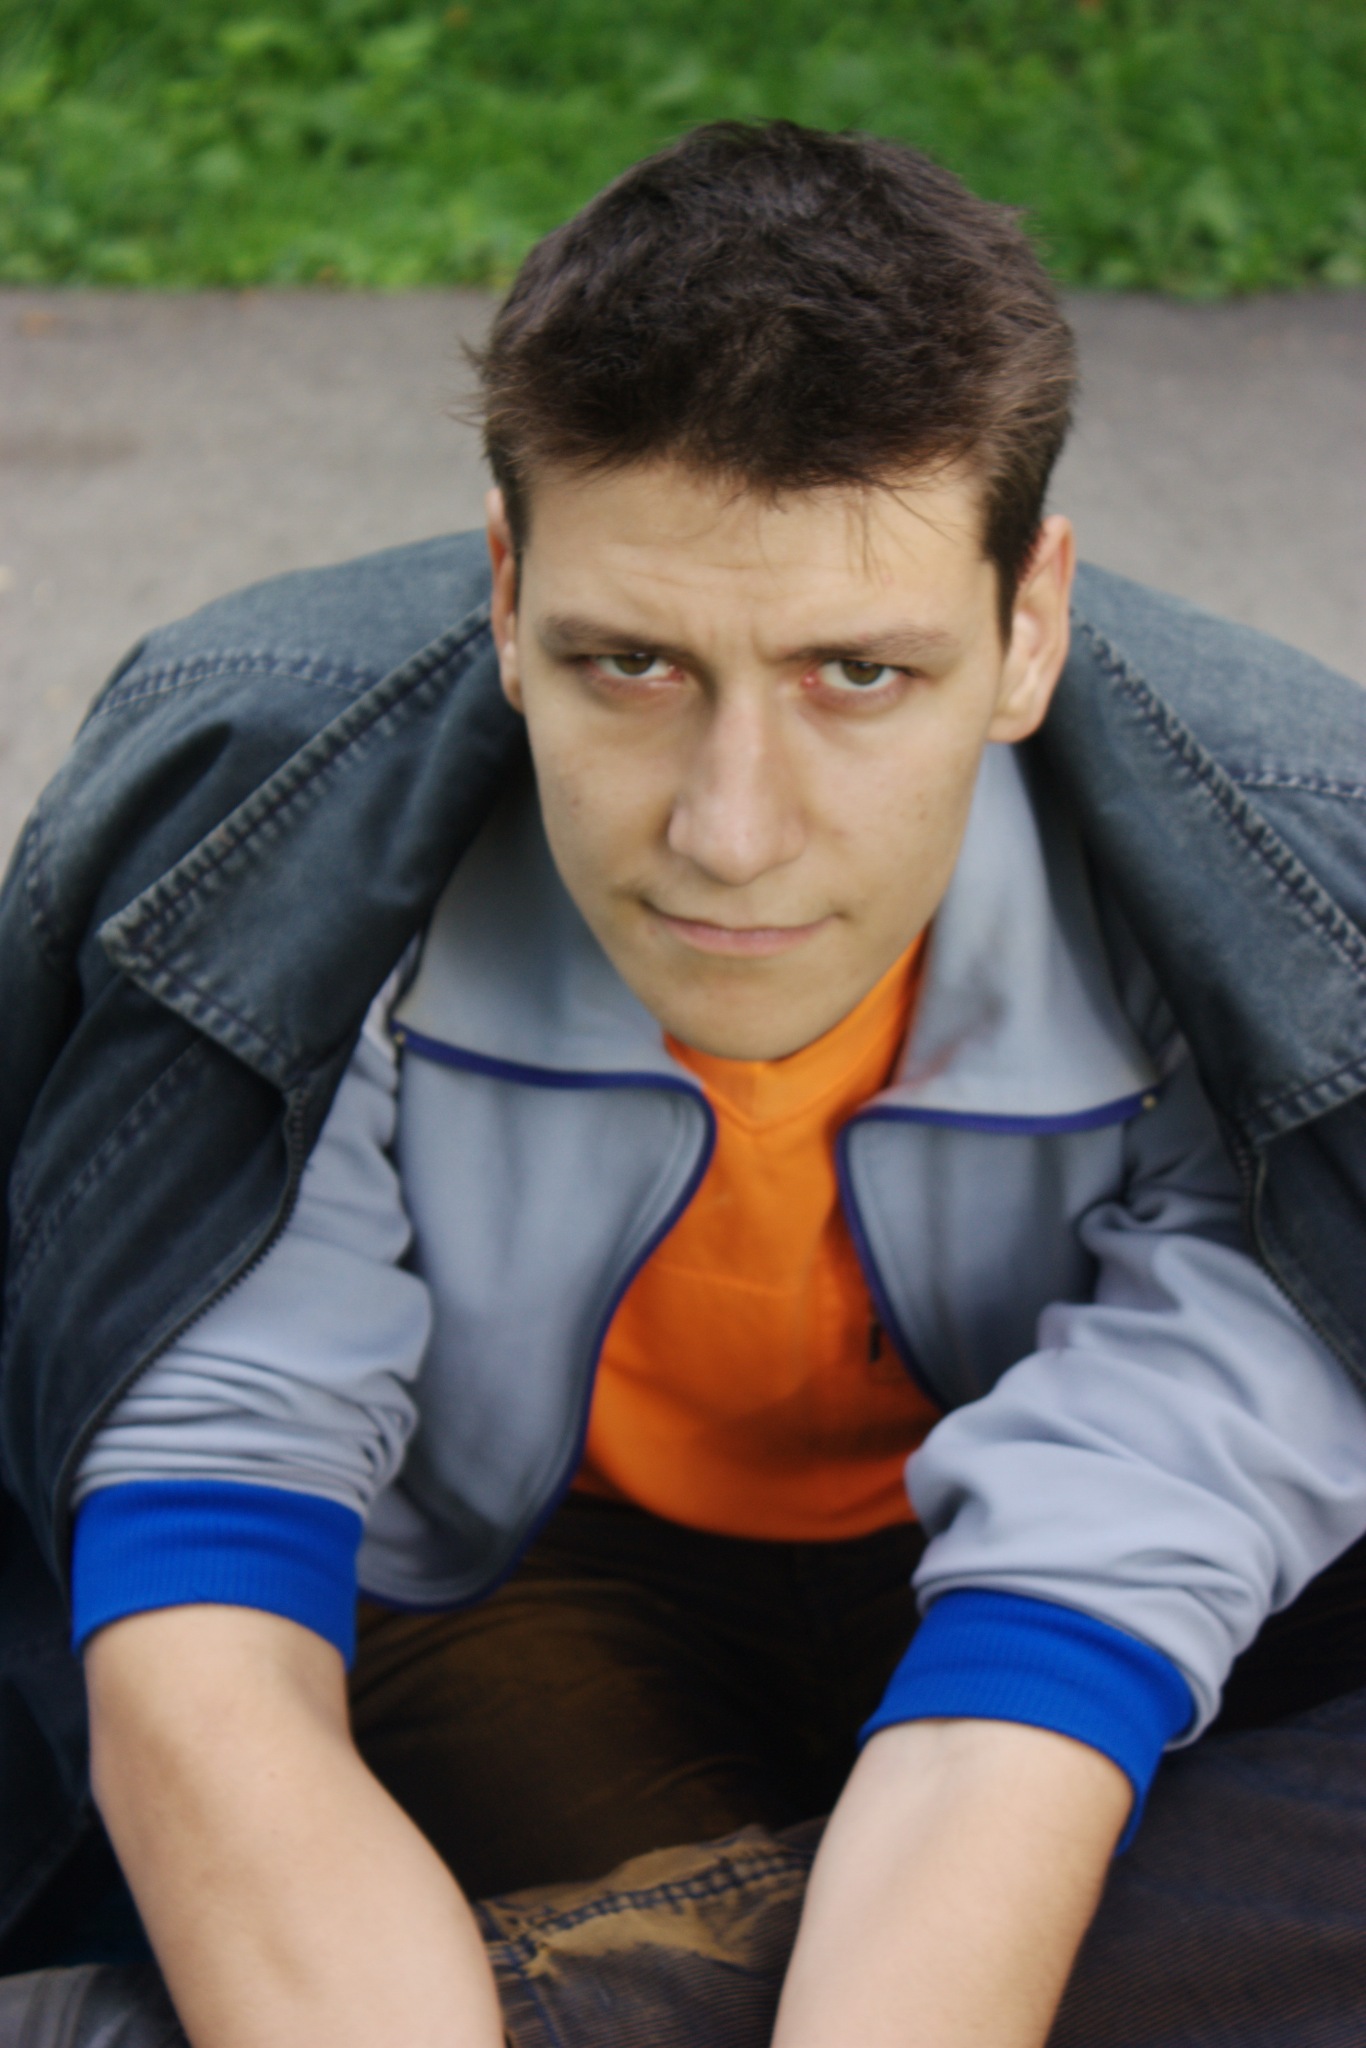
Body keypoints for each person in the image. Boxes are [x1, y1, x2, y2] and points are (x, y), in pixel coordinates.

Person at [2, 119, 1366, 2048]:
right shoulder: (264, 841)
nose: (731, 833)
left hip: (1064, 1574)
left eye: (856, 675)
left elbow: (1083, 1615)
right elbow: (204, 1621)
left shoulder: (1297, 902)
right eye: (630, 664)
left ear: (1029, 625)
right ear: (504, 594)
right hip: (516, 1580)